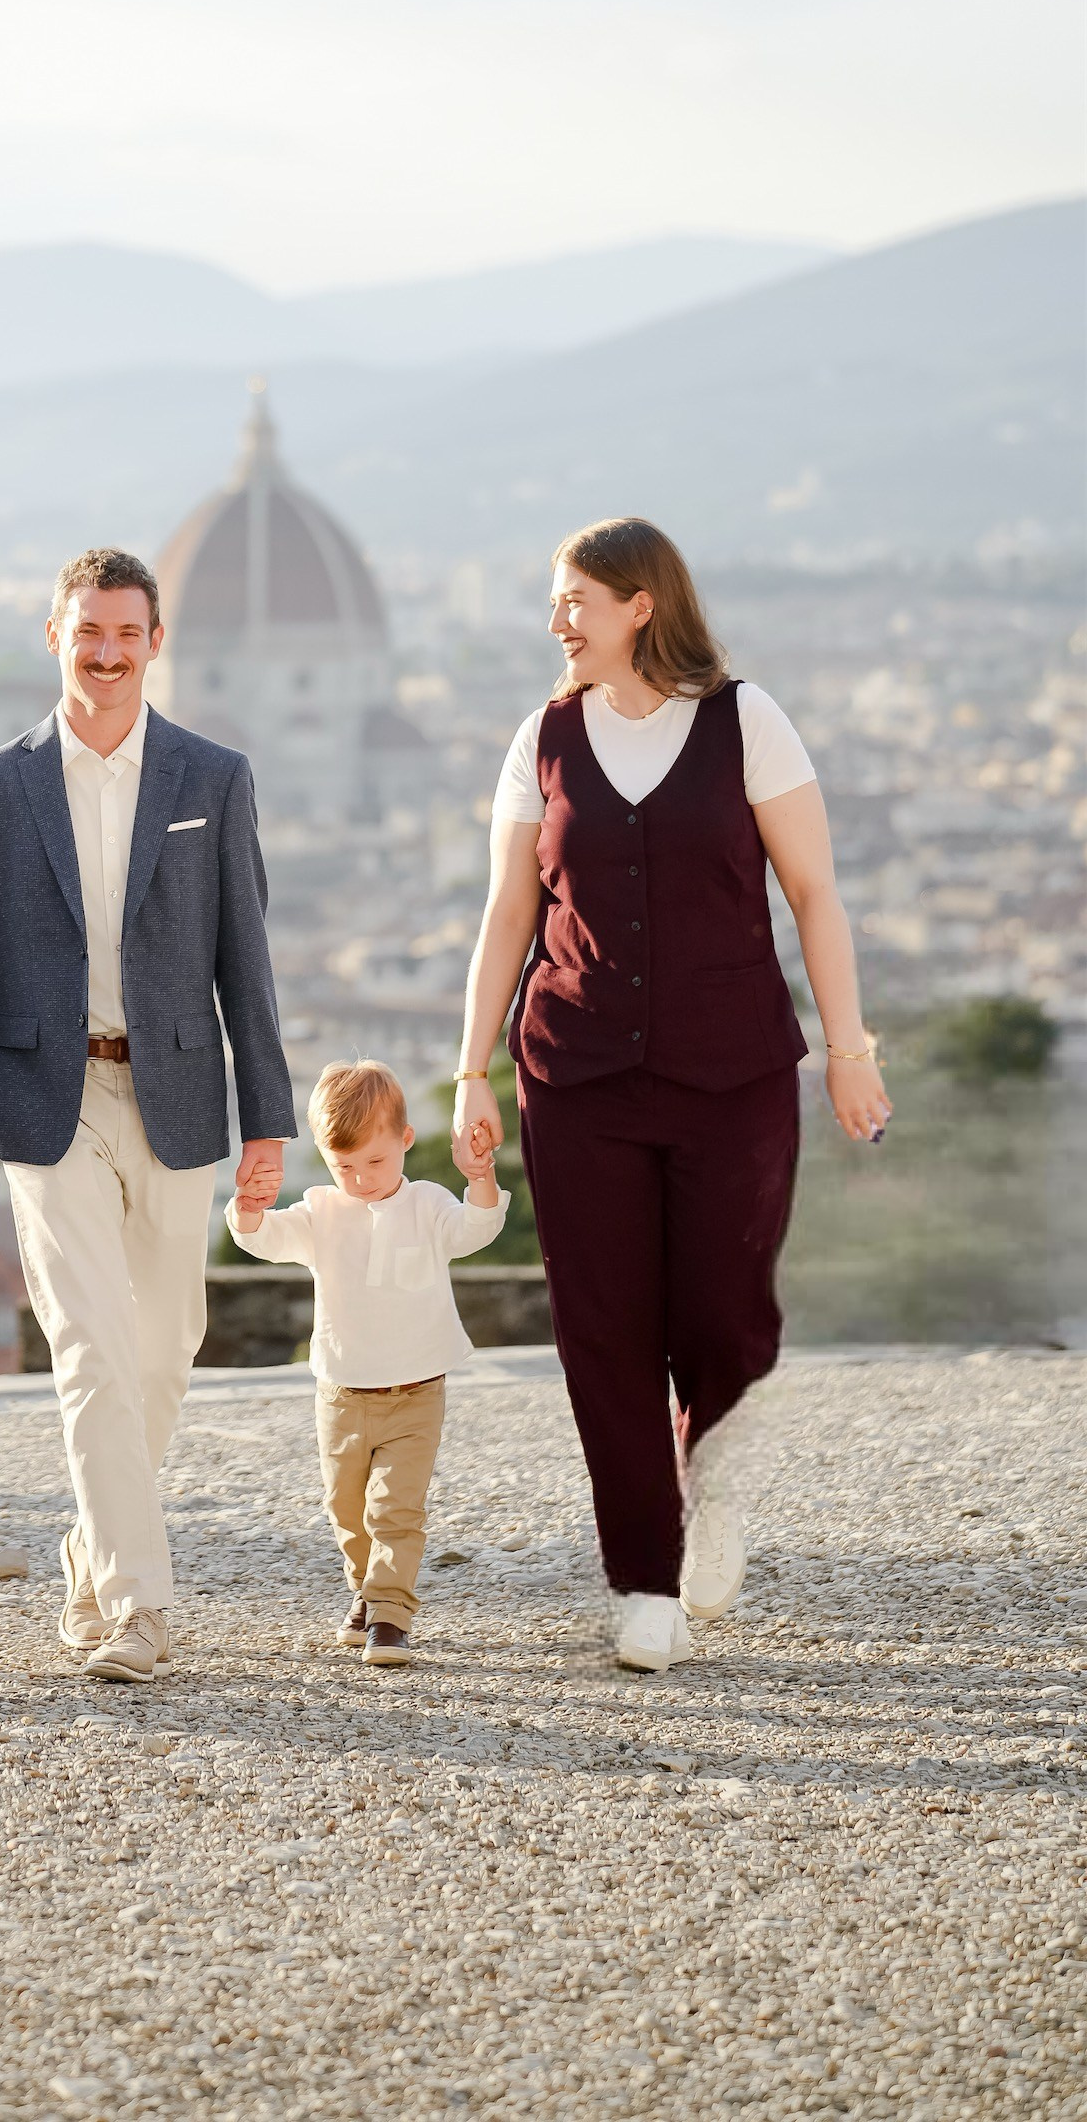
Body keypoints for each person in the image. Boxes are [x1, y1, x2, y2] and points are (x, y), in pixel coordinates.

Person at [451, 517, 891, 1674]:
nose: (557, 620)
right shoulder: (538, 739)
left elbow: (813, 894)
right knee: (601, 1331)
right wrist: (468, 1073)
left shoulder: (745, 721)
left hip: (731, 1072)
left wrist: (850, 1049)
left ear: (639, 603)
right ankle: (641, 1580)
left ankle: (717, 1481)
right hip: (575, 1073)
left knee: (722, 1310)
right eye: (555, 601)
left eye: (575, 599)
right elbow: (508, 917)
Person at [0, 546, 296, 1685]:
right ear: (54, 636)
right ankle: (135, 1605)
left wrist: (268, 1118)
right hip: (43, 1098)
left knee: (164, 1350)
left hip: (173, 1092)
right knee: (85, 1348)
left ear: (154, 642)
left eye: (127, 634)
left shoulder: (211, 779)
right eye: (88, 633)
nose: (107, 654)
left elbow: (245, 961)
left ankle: (92, 1544)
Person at [228, 1059, 508, 1666]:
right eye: (344, 1166)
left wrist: (479, 1177)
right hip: (340, 1394)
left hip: (415, 1392)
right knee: (347, 1512)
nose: (360, 1179)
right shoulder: (322, 1211)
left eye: (375, 1162)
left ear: (405, 1140)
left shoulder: (430, 1206)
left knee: (395, 1509)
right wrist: (249, 1207)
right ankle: (366, 1589)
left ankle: (390, 1613)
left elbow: (478, 1229)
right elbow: (264, 1239)